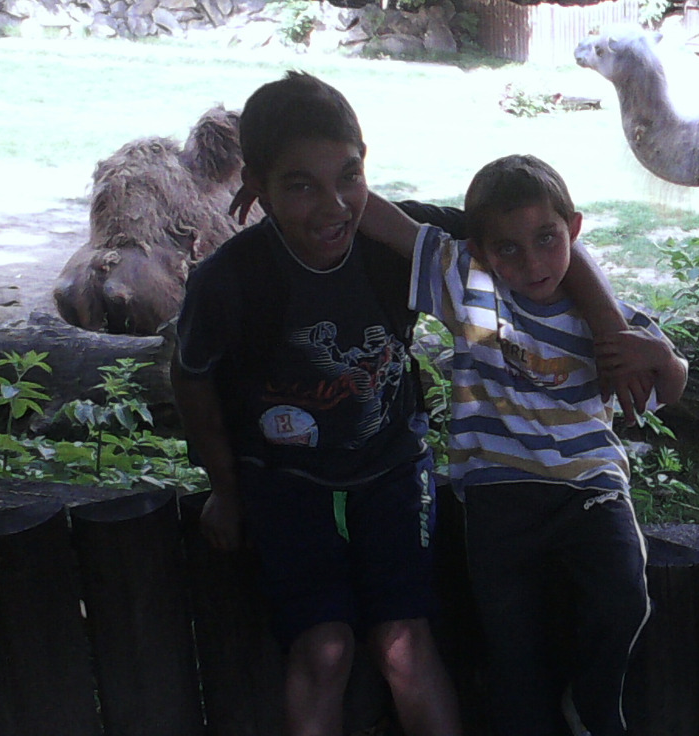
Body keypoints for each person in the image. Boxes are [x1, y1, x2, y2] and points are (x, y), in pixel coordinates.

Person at [172, 74, 641, 736]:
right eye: (301, 186)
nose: (334, 206)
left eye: (349, 176)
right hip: (284, 479)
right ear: (258, 185)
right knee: (324, 648)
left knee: (403, 641)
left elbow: (541, 232)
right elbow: (191, 380)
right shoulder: (229, 279)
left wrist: (613, 328)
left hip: (393, 466)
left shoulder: (391, 244)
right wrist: (225, 488)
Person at [360, 153, 688, 736]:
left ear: (574, 230)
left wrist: (664, 357)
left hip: (588, 483)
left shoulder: (609, 322)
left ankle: (592, 701)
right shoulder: (472, 288)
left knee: (625, 597)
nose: (533, 263)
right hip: (498, 490)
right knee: (511, 641)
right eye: (508, 248)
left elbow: (670, 386)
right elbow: (394, 227)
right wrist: (334, 185)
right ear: (482, 252)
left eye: (547, 239)